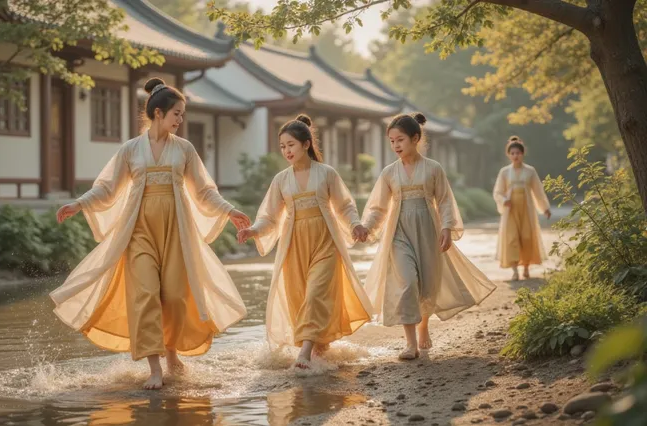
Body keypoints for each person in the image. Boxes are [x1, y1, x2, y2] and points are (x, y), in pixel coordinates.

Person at [51, 77, 250, 390]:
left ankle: (172, 354)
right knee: (145, 296)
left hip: (176, 232)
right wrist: (78, 203)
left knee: (173, 296)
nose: (181, 120)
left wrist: (229, 210)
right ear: (159, 113)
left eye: (182, 114)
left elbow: (204, 191)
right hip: (138, 231)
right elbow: (107, 189)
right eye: (177, 114)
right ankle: (155, 367)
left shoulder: (184, 149)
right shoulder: (131, 150)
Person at [237, 114, 373, 369]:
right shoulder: (281, 179)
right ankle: (320, 352)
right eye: (283, 146)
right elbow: (270, 216)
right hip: (294, 247)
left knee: (315, 294)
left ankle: (304, 355)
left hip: (325, 242)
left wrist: (355, 224)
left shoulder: (326, 174)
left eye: (291, 145)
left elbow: (344, 206)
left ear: (306, 144)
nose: (286, 151)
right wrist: (253, 230)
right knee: (300, 299)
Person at [362, 113, 496, 360]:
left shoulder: (434, 168)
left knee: (427, 287)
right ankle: (410, 344)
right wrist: (366, 227)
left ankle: (424, 325)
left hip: (428, 232)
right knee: (407, 284)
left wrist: (446, 227)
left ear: (415, 138)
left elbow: (444, 201)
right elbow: (378, 207)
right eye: (391, 141)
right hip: (399, 233)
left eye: (400, 140)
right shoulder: (389, 173)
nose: (396, 146)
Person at [493, 136, 551, 281]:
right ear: (508, 155)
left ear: (522, 154)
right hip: (510, 209)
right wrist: (504, 200)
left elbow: (538, 191)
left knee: (526, 237)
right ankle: (514, 271)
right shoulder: (504, 172)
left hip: (527, 208)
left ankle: (525, 267)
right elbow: (498, 191)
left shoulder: (530, 171)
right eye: (512, 153)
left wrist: (545, 208)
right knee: (512, 238)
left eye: (517, 153)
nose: (515, 156)